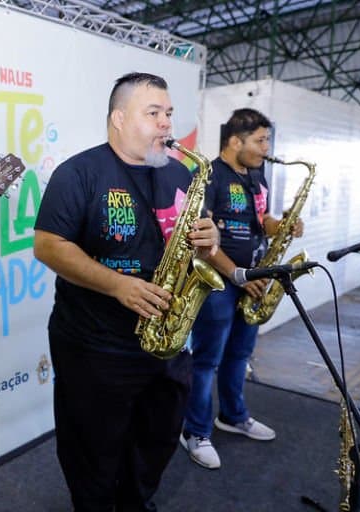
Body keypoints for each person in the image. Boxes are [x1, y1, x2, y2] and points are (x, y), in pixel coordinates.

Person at [34, 72, 219, 512]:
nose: (166, 125)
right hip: (95, 347)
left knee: (155, 445)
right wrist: (117, 284)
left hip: (167, 347)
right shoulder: (78, 172)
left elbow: (203, 245)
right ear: (118, 118)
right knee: (92, 457)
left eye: (169, 114)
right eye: (152, 113)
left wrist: (211, 240)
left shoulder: (180, 173)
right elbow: (48, 245)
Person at [180, 108, 304, 470]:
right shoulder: (207, 176)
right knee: (205, 361)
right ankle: (196, 431)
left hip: (251, 281)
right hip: (218, 283)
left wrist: (281, 226)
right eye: (260, 140)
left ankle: (233, 416)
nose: (267, 148)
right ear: (236, 141)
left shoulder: (257, 178)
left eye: (267, 140)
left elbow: (259, 220)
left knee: (239, 356)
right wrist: (237, 275)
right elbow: (198, 237)